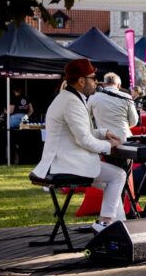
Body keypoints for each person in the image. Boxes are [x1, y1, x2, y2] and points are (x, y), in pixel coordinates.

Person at [32, 60, 127, 233]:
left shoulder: (69, 98)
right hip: (65, 163)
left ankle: (119, 226)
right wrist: (109, 146)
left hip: (62, 160)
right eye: (93, 78)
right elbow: (84, 139)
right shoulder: (72, 102)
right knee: (118, 176)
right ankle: (105, 224)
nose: (97, 82)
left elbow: (79, 131)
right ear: (82, 81)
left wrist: (103, 133)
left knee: (112, 183)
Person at [88, 72, 139, 141]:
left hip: (104, 140)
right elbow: (134, 121)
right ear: (119, 85)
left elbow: (86, 119)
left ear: (104, 84)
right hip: (124, 138)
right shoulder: (126, 97)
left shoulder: (93, 97)